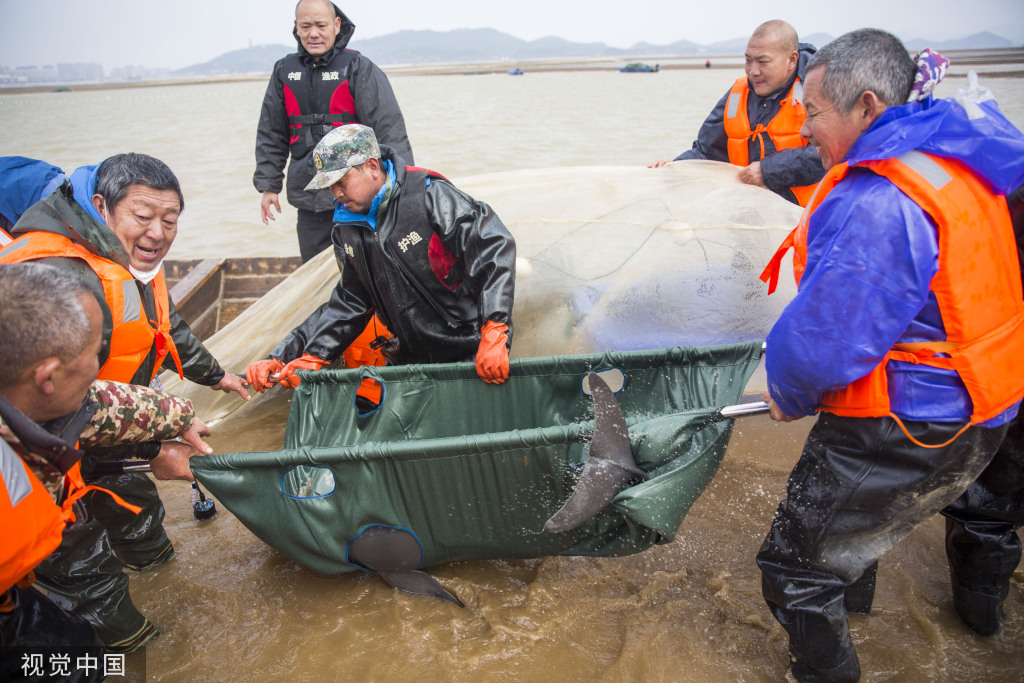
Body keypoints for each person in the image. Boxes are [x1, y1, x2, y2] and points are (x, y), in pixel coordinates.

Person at [755, 29, 1024, 680]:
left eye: (813, 111)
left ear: (867, 106)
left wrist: (784, 391)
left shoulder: (878, 198)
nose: (802, 127)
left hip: (908, 418)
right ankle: (961, 628)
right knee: (861, 534)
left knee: (794, 565)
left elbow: (824, 344)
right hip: (987, 408)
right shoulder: (949, 156)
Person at [0, 152, 249, 652]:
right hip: (55, 447)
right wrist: (158, 448)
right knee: (80, 562)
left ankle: (152, 567)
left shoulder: (133, 262)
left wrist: (211, 378)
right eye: (143, 217)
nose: (157, 232)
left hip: (105, 429)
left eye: (170, 220)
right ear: (102, 208)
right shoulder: (55, 280)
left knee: (138, 512)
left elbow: (162, 327)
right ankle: (140, 648)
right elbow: (81, 408)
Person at [0, 262, 211, 679]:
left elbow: (94, 402)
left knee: (76, 646)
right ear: (47, 378)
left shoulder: (25, 380)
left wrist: (177, 418)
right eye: (94, 354)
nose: (101, 366)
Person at [246, 124, 515, 394]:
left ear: (373, 167)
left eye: (341, 182)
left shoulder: (429, 196)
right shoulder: (346, 227)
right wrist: (296, 354)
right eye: (330, 186)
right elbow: (352, 301)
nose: (336, 193)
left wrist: (495, 327)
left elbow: (494, 247)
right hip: (410, 355)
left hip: (470, 347)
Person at [254, 0, 415, 263]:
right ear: (296, 27)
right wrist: (268, 185)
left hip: (358, 196)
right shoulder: (284, 71)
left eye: (320, 25)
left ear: (336, 25)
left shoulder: (359, 67)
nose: (313, 33)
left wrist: (401, 188)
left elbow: (389, 130)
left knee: (368, 266)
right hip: (309, 200)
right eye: (305, 26)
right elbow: (271, 133)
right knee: (316, 269)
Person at [649, 20, 825, 206]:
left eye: (763, 62)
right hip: (751, 211)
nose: (753, 71)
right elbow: (707, 151)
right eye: (748, 61)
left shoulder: (821, 89)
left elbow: (830, 151)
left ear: (792, 59)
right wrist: (676, 167)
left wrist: (767, 171)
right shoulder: (737, 94)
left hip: (811, 216)